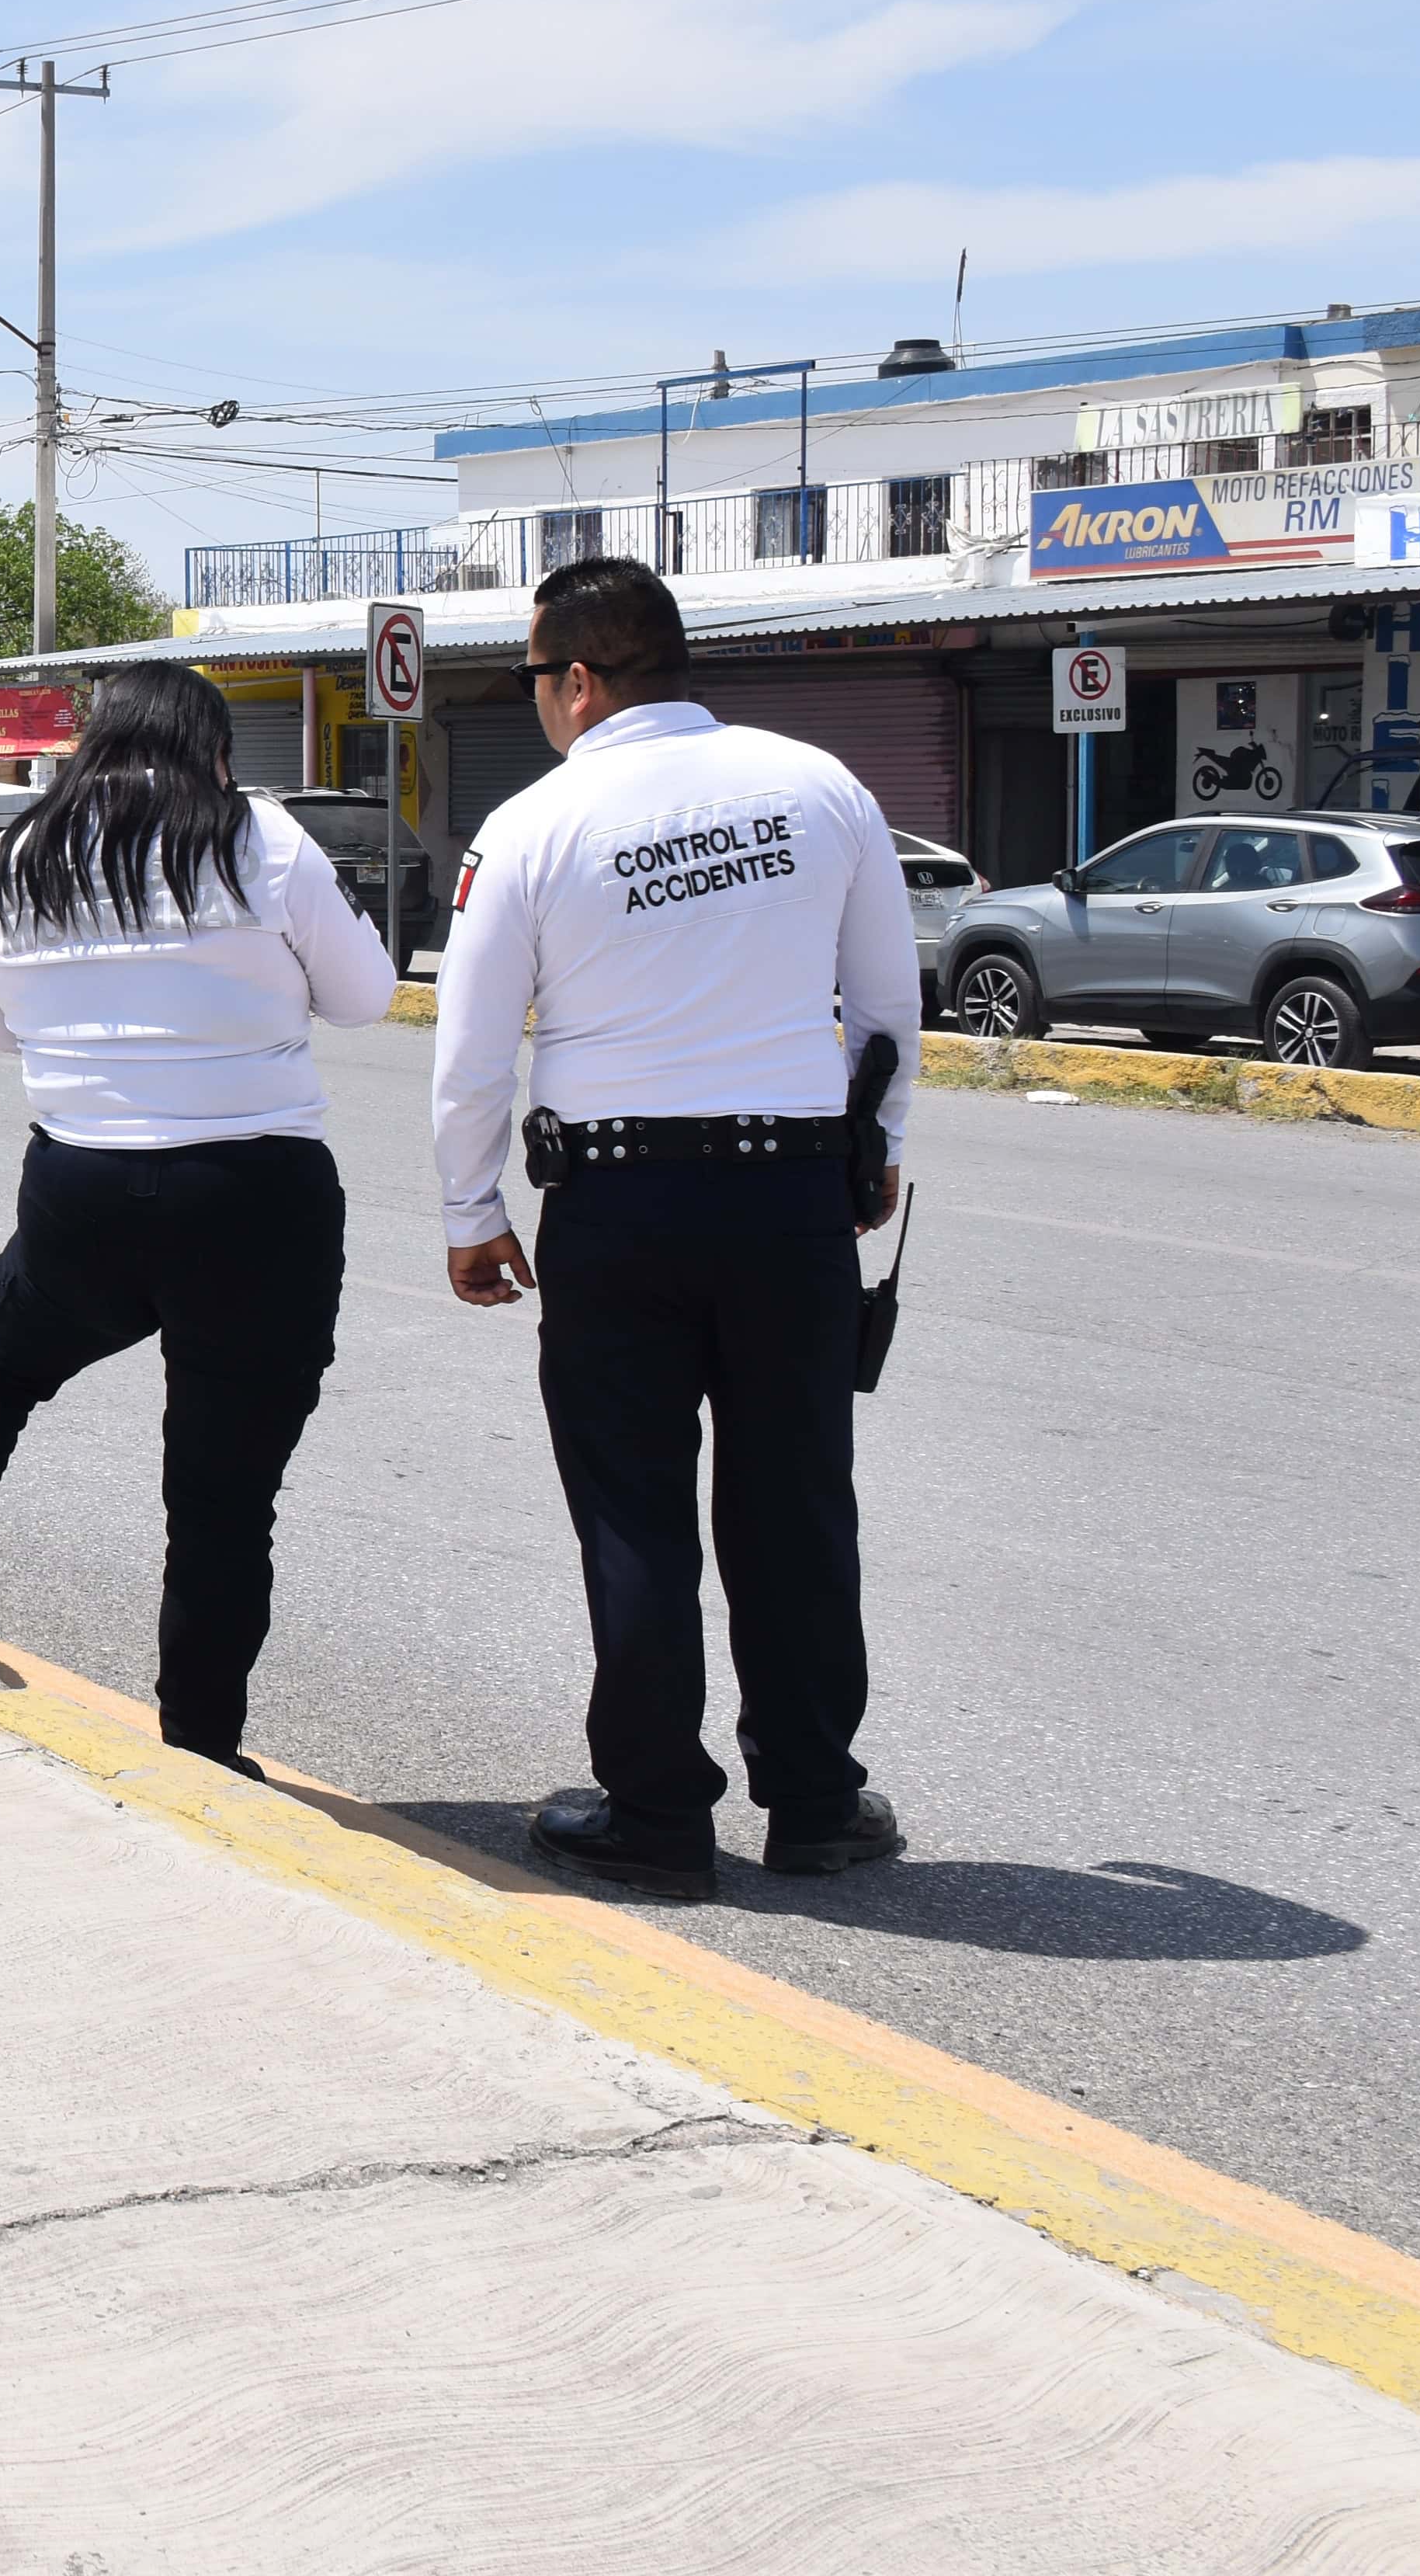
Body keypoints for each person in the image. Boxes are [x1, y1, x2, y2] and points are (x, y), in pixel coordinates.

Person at [0, 669, 395, 1776]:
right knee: (223, 1489)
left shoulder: (20, 853)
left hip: (84, 1190)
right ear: (213, 751)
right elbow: (364, 996)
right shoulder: (260, 839)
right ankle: (201, 1740)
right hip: (254, 1198)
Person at [432, 555, 922, 1900]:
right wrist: (873, 1147)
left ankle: (656, 1813)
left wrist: (471, 1209)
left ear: (579, 680)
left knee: (636, 1516)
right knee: (799, 1503)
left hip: (618, 1204)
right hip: (790, 1197)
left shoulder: (533, 824)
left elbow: (475, 1052)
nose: (537, 702)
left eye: (535, 678)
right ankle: (817, 1801)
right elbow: (887, 1003)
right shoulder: (822, 788)